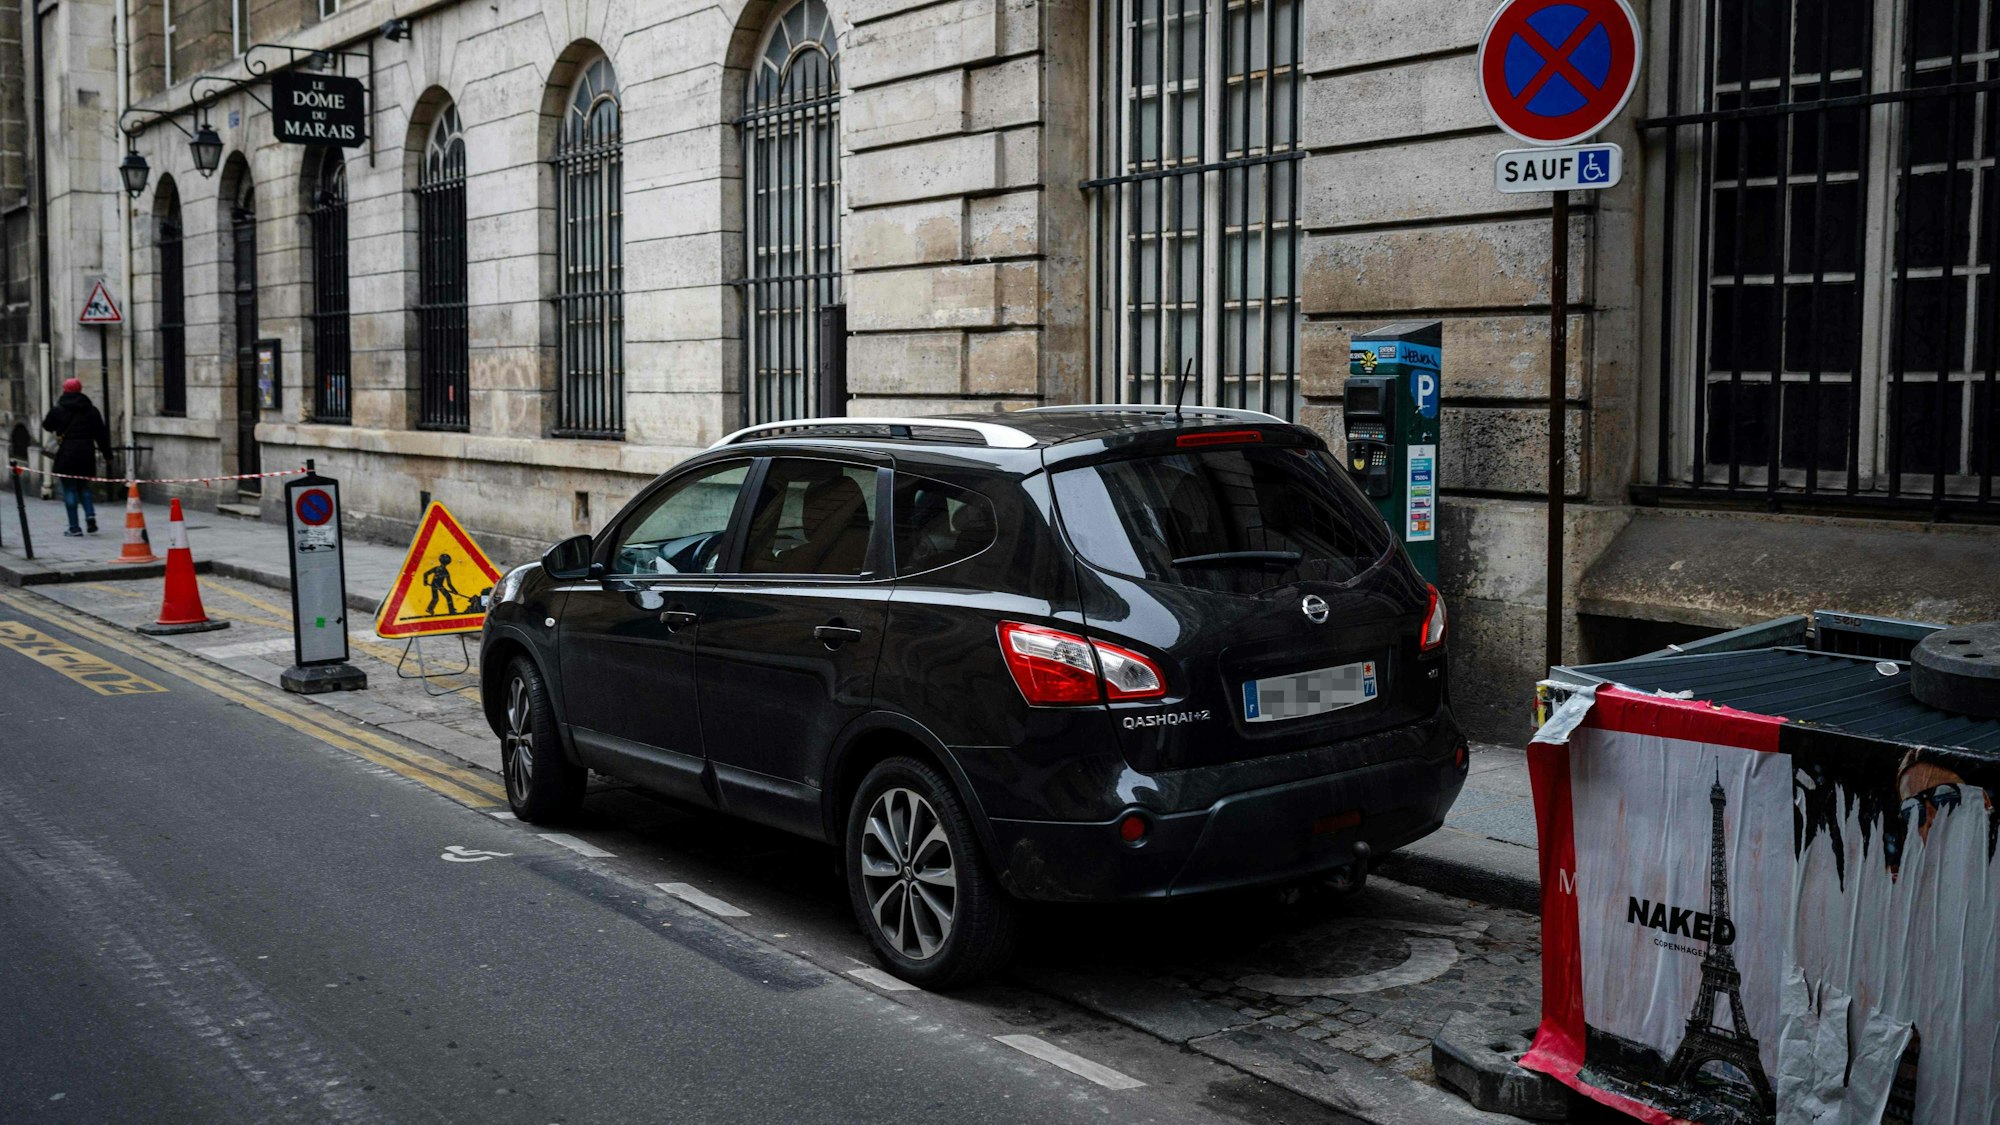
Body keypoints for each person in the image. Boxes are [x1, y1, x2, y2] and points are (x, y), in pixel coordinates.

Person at [40, 378, 115, 537]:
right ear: (80, 390)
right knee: (84, 487)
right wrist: (108, 455)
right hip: (86, 453)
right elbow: (101, 435)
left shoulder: (58, 409)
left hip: (67, 453)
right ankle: (90, 515)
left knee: (69, 489)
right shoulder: (91, 410)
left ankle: (74, 527)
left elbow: (47, 426)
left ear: (65, 390)